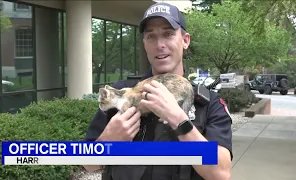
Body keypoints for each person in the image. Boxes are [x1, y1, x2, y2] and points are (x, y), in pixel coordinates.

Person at [83, 2, 233, 180]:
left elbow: (221, 174)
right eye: (151, 37)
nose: (159, 44)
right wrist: (109, 140)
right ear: (144, 44)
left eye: (168, 34)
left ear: (185, 41)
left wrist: (180, 120)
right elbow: (87, 163)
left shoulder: (208, 102)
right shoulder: (120, 94)